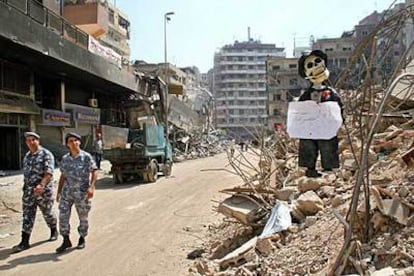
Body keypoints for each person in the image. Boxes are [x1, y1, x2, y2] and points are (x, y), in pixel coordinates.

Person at [12, 132, 58, 253]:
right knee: (27, 215)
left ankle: (54, 230)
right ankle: (24, 241)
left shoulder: (46, 154)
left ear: (38, 140)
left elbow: (49, 173)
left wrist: (41, 185)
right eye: (28, 140)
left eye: (33, 140)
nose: (31, 142)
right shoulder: (27, 156)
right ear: (26, 143)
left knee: (47, 213)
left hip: (43, 191)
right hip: (28, 192)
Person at [55, 132, 98, 253]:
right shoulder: (65, 159)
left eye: (75, 140)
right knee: (63, 216)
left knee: (83, 217)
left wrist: (92, 187)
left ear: (79, 142)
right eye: (70, 141)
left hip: (82, 192)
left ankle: (82, 237)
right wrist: (59, 192)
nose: (73, 143)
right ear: (67, 144)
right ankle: (66, 240)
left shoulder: (86, 157)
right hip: (67, 193)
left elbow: (94, 172)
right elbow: (63, 176)